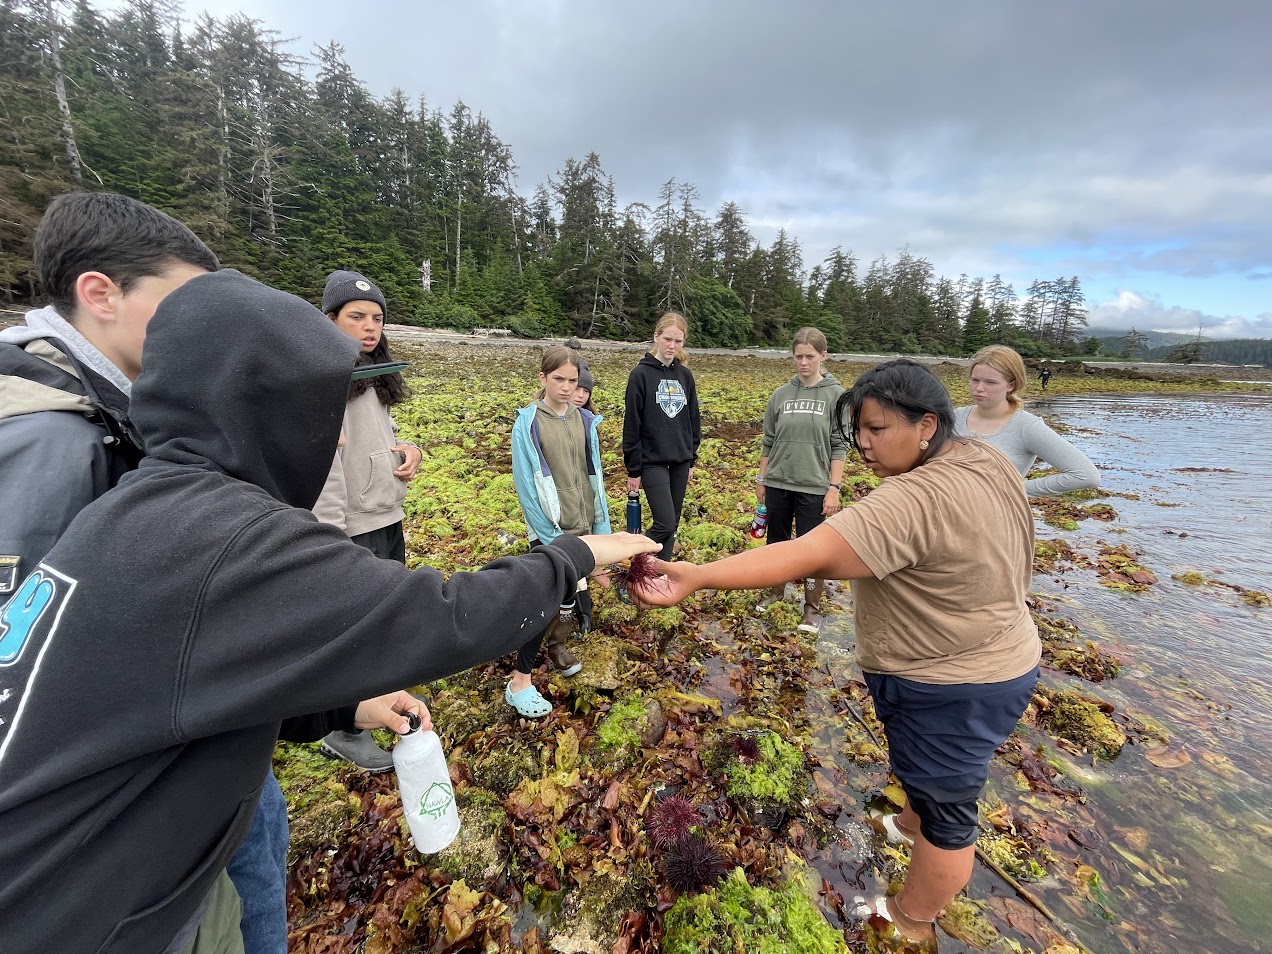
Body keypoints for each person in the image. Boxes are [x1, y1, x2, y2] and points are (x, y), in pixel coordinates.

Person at [0, 268, 658, 954]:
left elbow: (196, 681)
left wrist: (338, 709)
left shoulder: (138, 513)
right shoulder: (218, 538)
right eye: (322, 407)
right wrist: (573, 555)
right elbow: (441, 617)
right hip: (81, 917)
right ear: (270, 411)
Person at [0, 191, 349, 954]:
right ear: (100, 294)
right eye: (182, 301)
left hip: (208, 776)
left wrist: (333, 708)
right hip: (128, 855)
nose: (201, 326)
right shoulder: (51, 445)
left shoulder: (119, 417)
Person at [631, 359, 1041, 949]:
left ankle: (911, 919)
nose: (864, 445)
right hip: (1005, 653)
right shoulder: (984, 457)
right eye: (858, 431)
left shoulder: (911, 500)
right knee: (928, 785)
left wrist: (696, 577)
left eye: (877, 430)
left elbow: (806, 554)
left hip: (954, 683)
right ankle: (907, 822)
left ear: (928, 424)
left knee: (952, 815)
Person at [312, 269, 424, 772]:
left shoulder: (372, 376)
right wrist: (331, 539)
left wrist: (409, 450)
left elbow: (380, 438)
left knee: (383, 620)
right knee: (354, 628)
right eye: (356, 316)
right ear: (328, 320)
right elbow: (325, 467)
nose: (369, 326)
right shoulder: (321, 383)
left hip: (385, 513)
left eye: (377, 317)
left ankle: (381, 697)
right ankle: (344, 728)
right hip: (350, 526)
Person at [507, 346, 613, 717]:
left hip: (583, 523)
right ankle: (519, 680)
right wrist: (549, 536)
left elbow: (595, 478)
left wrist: (602, 533)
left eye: (573, 381)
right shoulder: (528, 423)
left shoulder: (585, 420)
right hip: (550, 528)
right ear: (543, 379)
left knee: (569, 595)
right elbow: (526, 485)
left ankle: (557, 647)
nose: (567, 388)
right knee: (547, 598)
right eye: (559, 379)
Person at [753, 327, 848, 634]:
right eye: (798, 356)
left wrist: (833, 487)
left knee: (812, 551)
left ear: (823, 356)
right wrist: (761, 478)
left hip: (814, 485)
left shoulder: (836, 395)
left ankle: (812, 607)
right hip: (779, 481)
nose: (803, 362)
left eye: (810, 356)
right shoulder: (780, 395)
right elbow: (768, 441)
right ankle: (775, 592)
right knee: (776, 542)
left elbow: (839, 444)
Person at [955, 345, 1099, 497]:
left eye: (990, 382)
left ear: (1011, 385)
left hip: (996, 518)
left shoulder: (1026, 426)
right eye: (975, 380)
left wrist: (1012, 491)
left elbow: (1086, 475)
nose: (979, 388)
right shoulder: (954, 417)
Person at [622, 313, 701, 561]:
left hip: (679, 460)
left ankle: (660, 574)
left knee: (672, 525)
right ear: (656, 337)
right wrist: (633, 469)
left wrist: (691, 459)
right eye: (668, 339)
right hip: (652, 461)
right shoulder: (640, 375)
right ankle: (636, 565)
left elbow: (692, 420)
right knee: (664, 524)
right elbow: (632, 424)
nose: (672, 346)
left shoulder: (685, 376)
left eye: (678, 341)